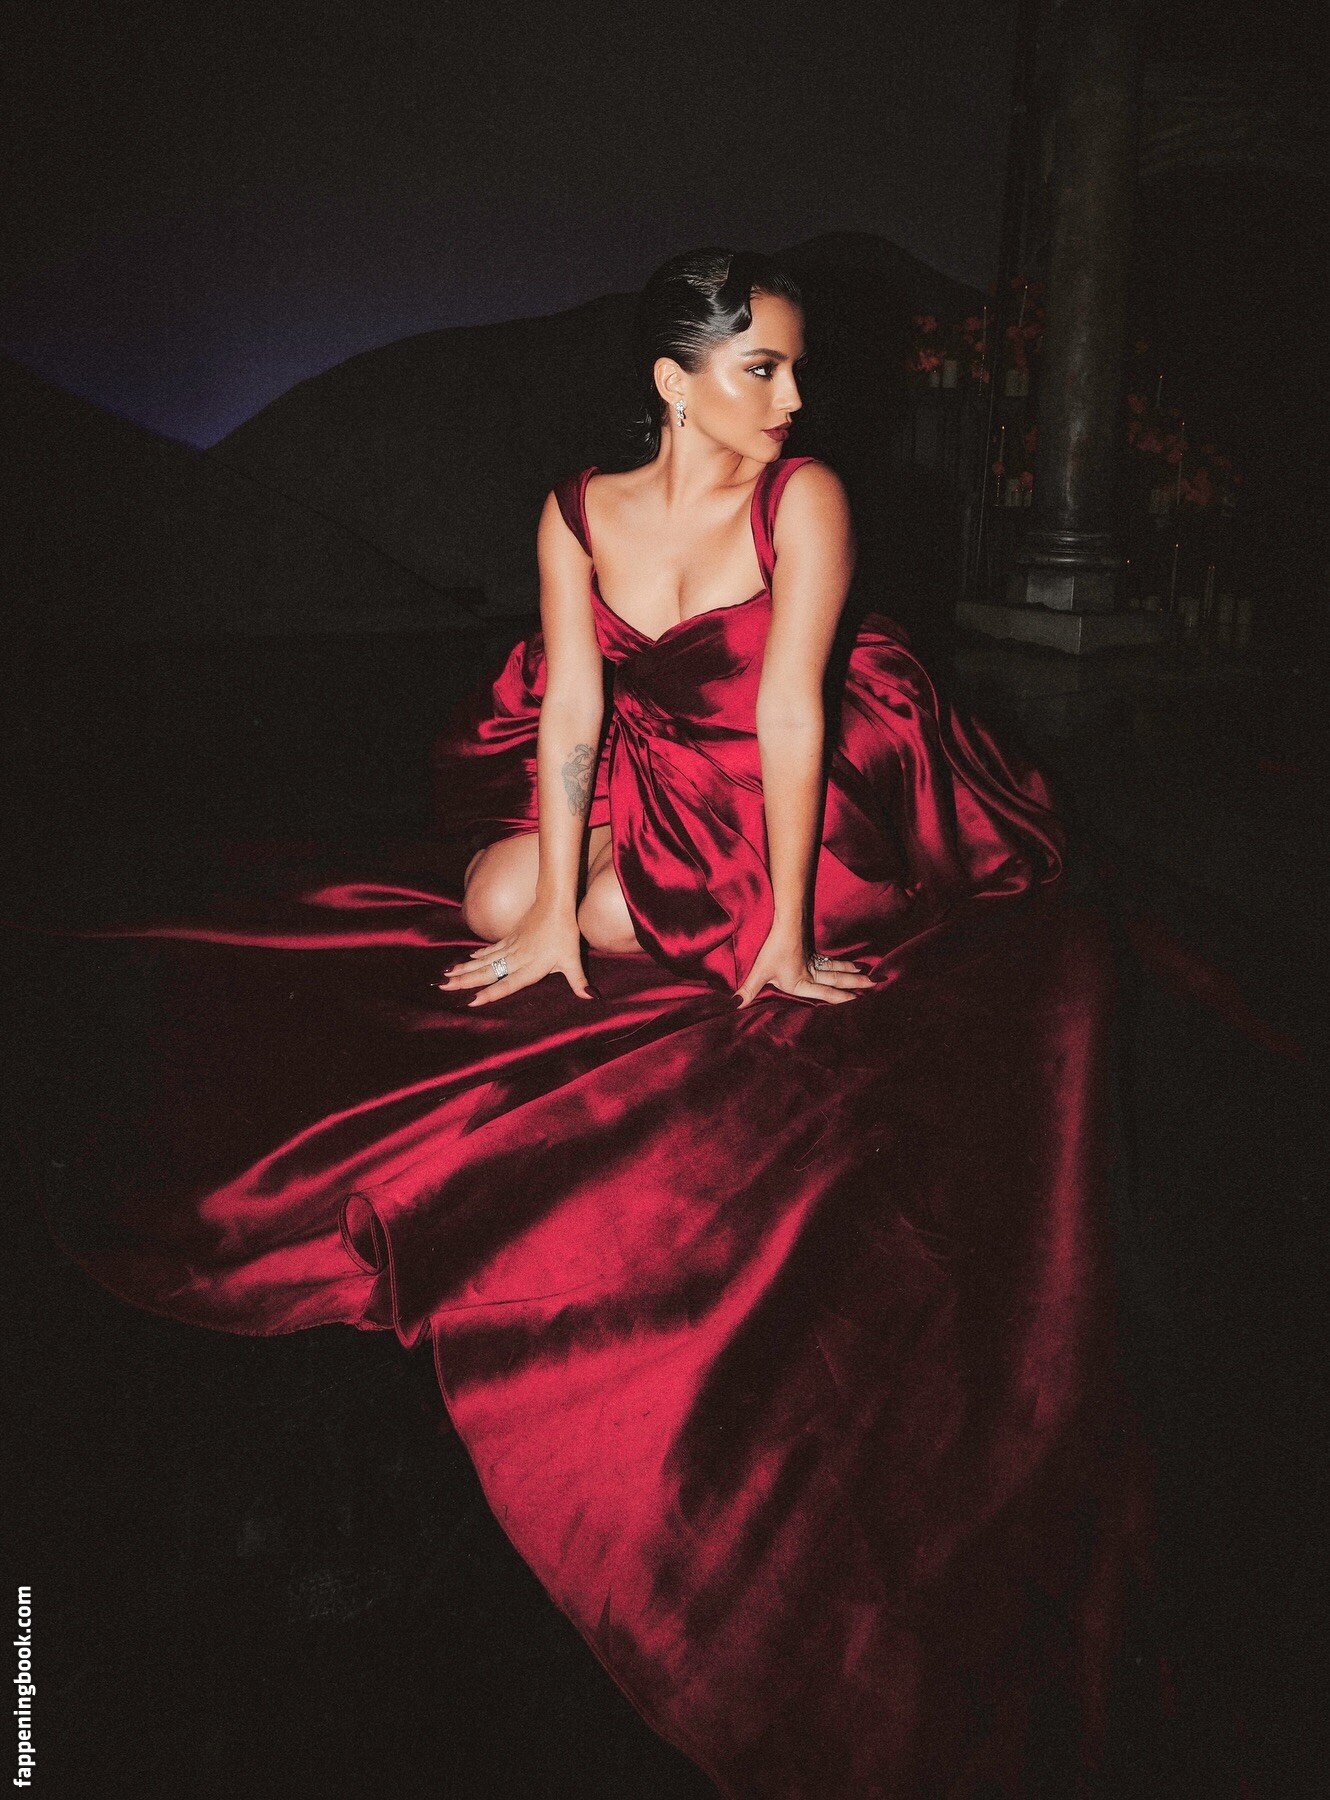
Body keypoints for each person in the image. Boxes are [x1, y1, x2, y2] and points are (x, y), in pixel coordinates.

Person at [39, 248, 1153, 1798]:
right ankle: (605, 902)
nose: (793, 395)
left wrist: (780, 929)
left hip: (811, 787)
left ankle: (729, 909)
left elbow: (793, 713)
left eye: (794, 367)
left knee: (694, 920)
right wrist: (559, 904)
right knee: (495, 899)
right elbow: (571, 710)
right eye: (761, 368)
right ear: (672, 383)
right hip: (657, 768)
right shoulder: (578, 509)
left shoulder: (806, 500)